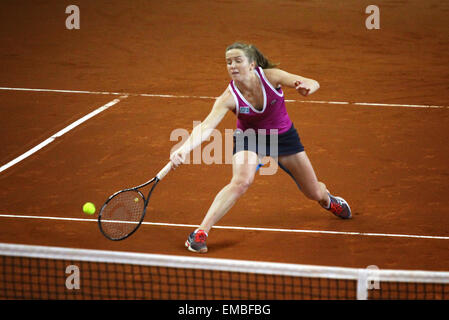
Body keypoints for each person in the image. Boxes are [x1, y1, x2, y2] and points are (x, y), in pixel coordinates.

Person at [170, 42, 351, 253]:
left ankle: (328, 200)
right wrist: (184, 148)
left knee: (313, 192)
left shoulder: (271, 77)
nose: (233, 66)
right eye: (229, 62)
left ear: (252, 64)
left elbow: (311, 81)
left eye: (238, 60)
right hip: (250, 139)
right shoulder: (228, 98)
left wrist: (309, 87)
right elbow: (206, 126)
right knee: (241, 181)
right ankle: (200, 233)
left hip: (284, 138)